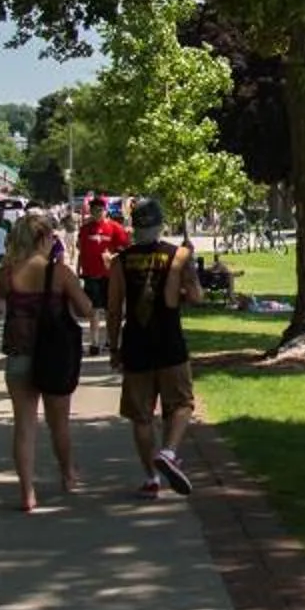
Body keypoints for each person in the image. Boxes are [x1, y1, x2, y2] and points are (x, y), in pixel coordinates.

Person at [0, 212, 91, 513]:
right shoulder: (60, 274)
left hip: (19, 354)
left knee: (24, 426)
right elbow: (86, 309)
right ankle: (68, 473)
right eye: (51, 236)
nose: (54, 240)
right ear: (41, 238)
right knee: (58, 422)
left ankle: (27, 492)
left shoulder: (7, 273)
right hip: (54, 356)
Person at [110, 198, 202, 498]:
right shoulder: (178, 256)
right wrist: (189, 274)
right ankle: (169, 452)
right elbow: (196, 296)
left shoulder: (121, 261)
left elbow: (114, 309)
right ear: (160, 225)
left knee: (141, 416)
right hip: (170, 342)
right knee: (182, 404)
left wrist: (114, 347)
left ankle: (151, 478)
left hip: (136, 343)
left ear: (134, 227)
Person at [74, 195, 131, 353]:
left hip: (109, 275)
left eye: (100, 210)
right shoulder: (85, 229)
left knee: (110, 310)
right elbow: (81, 250)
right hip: (91, 274)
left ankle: (110, 340)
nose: (98, 213)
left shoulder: (115, 227)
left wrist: (113, 256)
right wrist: (78, 270)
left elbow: (125, 248)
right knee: (93, 310)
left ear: (106, 211)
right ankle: (94, 343)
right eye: (94, 210)